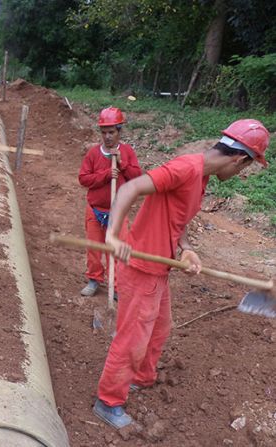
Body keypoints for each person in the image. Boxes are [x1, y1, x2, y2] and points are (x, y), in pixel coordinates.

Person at [93, 119, 271, 429]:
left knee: (160, 328)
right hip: (141, 267)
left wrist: (186, 249)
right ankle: (108, 401)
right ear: (239, 158)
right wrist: (113, 236)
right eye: (243, 169)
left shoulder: (200, 177)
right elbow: (132, 187)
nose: (239, 174)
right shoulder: (185, 168)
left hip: (160, 267)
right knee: (133, 336)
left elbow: (178, 219)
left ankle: (140, 377)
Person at [78, 107, 142, 297]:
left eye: (112, 132)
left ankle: (116, 285)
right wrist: (105, 175)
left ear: (119, 131)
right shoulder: (93, 154)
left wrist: (123, 164)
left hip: (118, 212)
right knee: (94, 247)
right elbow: (83, 179)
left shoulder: (128, 152)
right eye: (104, 132)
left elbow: (137, 178)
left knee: (116, 250)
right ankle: (94, 280)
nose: (108, 137)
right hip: (95, 210)